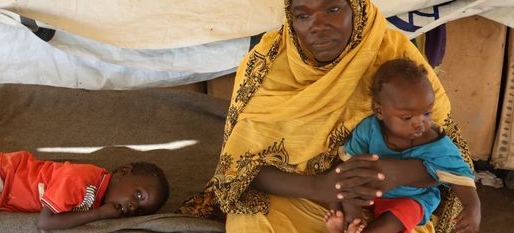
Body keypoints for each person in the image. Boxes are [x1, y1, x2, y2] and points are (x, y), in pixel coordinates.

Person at [179, 0, 475, 232]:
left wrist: (394, 173)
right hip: (299, 198)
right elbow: (240, 171)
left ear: (355, 7)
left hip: (395, 205)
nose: (318, 26)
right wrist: (319, 186)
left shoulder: (394, 59)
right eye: (302, 16)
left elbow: (452, 164)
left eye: (333, 9)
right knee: (251, 223)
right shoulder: (267, 66)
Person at [323, 58, 480, 233]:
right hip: (372, 192)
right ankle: (352, 222)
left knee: (393, 221)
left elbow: (461, 176)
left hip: (411, 198)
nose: (420, 123)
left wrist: (473, 208)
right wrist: (353, 206)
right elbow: (350, 165)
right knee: (348, 188)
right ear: (380, 111)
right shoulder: (369, 129)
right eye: (407, 117)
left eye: (427, 113)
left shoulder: (436, 143)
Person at [0, 140, 170, 232]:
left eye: (139, 209)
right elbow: (46, 223)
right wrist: (100, 215)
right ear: (123, 172)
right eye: (138, 194)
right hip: (6, 175)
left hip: (5, 186)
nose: (133, 206)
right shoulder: (83, 180)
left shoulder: (99, 194)